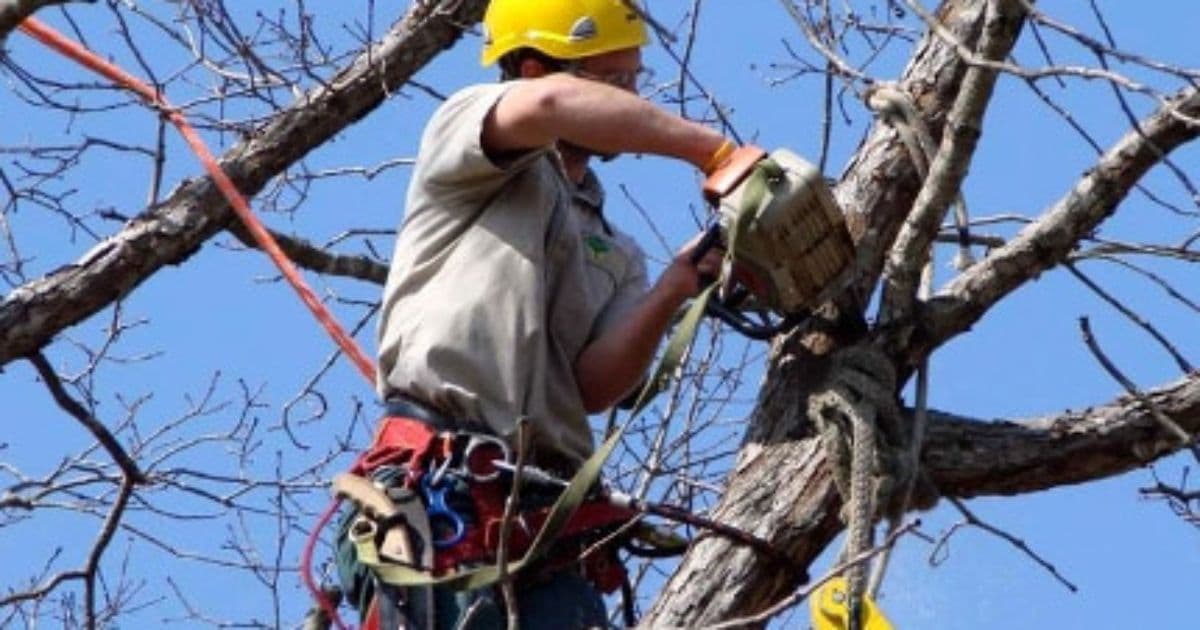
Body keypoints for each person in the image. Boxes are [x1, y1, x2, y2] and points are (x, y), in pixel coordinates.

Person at [347, 1, 757, 627]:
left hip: (548, 522)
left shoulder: (617, 251)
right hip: (442, 492)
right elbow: (547, 108)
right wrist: (716, 152)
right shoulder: (468, 136)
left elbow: (593, 386)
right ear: (537, 67)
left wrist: (676, 286)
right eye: (615, 84)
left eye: (634, 82)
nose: (633, 101)